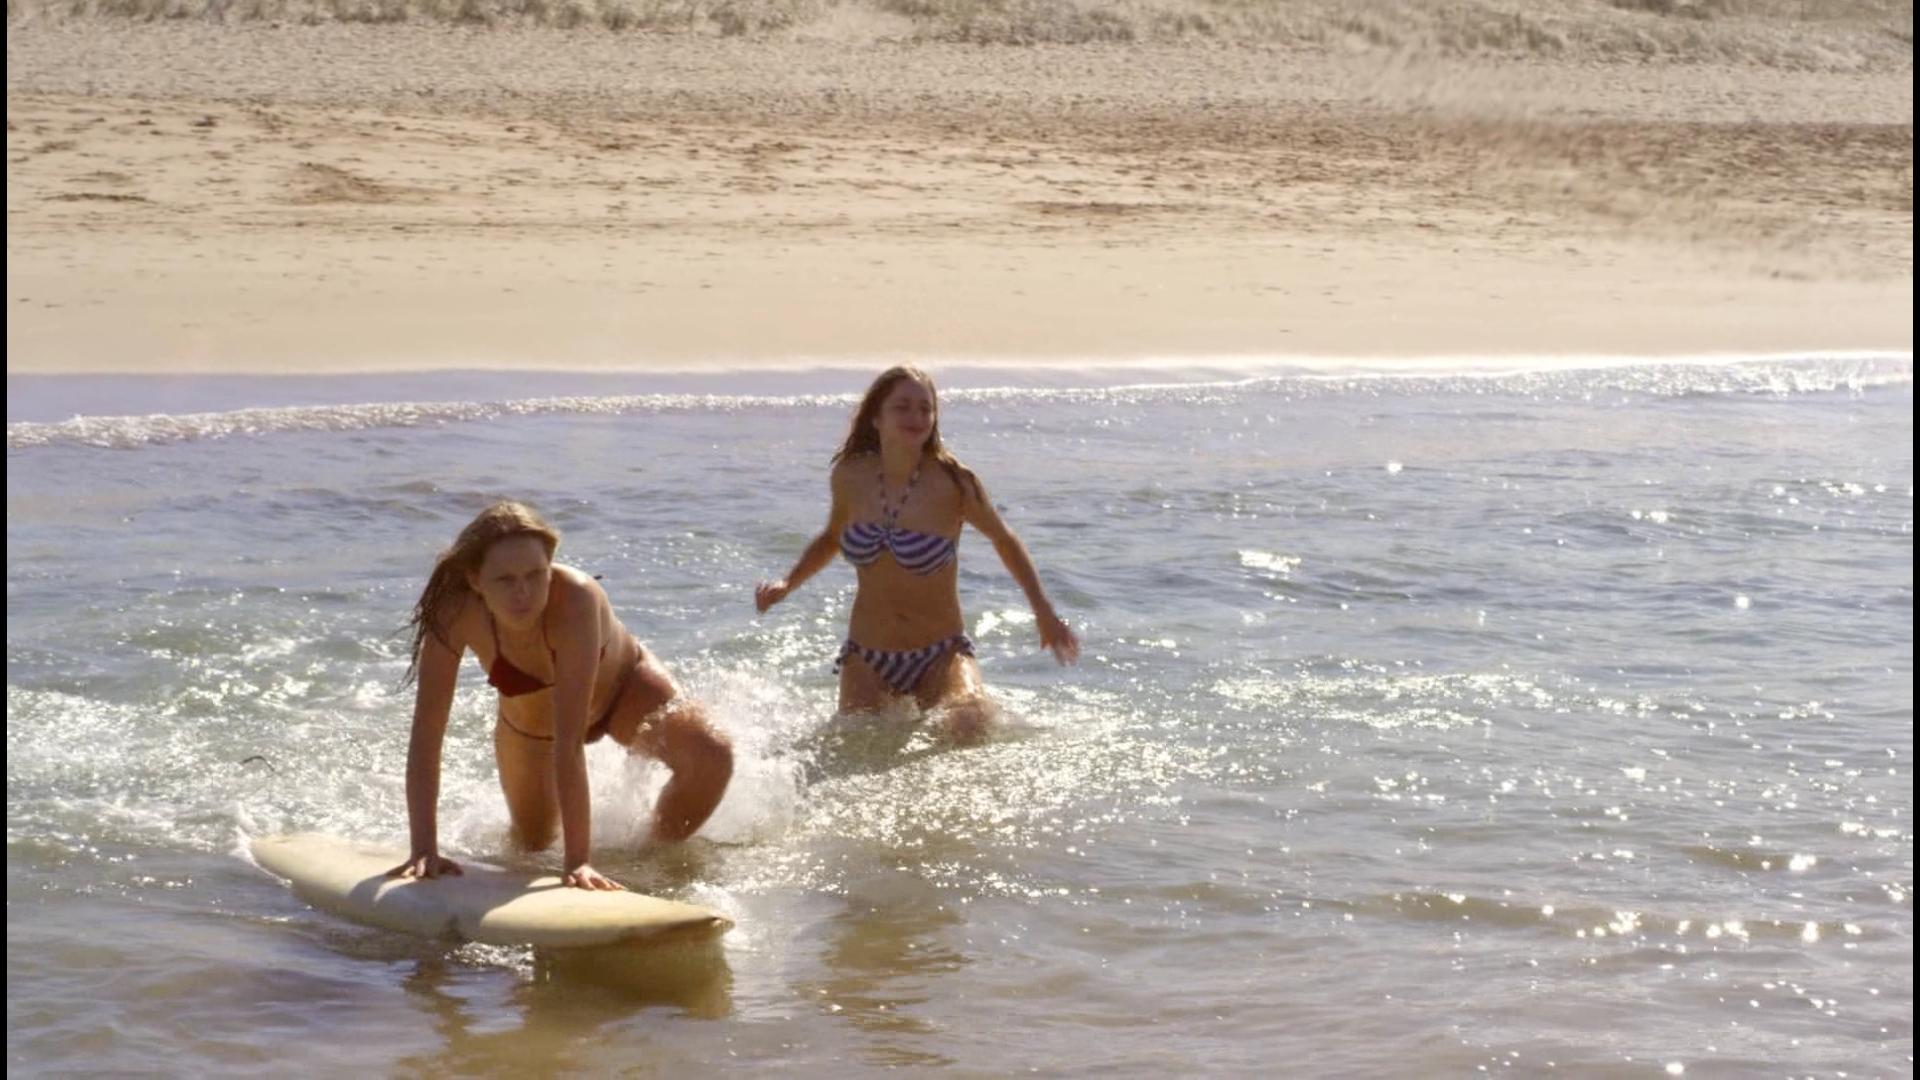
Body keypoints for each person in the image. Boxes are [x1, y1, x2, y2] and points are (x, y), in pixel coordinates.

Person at [388, 501, 733, 891]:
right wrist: (423, 848)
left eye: (536, 575)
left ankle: (651, 862)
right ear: (475, 580)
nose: (523, 593)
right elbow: (427, 733)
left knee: (711, 755)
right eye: (505, 580)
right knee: (531, 849)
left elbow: (569, 744)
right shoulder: (454, 613)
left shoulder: (577, 600)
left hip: (625, 692)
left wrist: (578, 862)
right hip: (532, 730)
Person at [756, 366, 1079, 742]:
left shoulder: (953, 482)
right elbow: (832, 537)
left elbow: (1004, 540)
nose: (916, 417)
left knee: (969, 724)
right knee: (856, 747)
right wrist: (787, 584)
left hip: (940, 652)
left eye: (925, 409)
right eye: (903, 407)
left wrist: (1043, 613)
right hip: (867, 655)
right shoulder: (850, 475)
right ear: (876, 417)